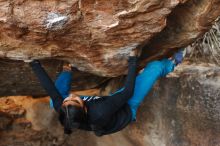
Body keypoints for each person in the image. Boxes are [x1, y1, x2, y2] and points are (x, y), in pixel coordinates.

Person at [50, 49, 184, 136]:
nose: (72, 96)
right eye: (75, 100)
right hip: (126, 107)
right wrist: (133, 61)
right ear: (83, 107)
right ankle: (173, 62)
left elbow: (53, 93)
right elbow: (127, 92)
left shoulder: (67, 113)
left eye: (67, 101)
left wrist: (34, 64)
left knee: (54, 99)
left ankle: (66, 69)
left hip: (104, 111)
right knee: (156, 67)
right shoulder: (101, 110)